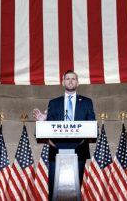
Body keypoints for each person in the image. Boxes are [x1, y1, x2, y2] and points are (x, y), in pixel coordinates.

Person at [33, 70, 95, 200]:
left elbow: (92, 126)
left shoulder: (87, 102)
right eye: (67, 78)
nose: (70, 81)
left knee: (74, 189)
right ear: (62, 82)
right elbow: (46, 129)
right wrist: (42, 122)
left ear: (77, 83)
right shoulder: (54, 103)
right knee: (55, 190)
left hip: (79, 150)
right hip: (56, 150)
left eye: (73, 78)